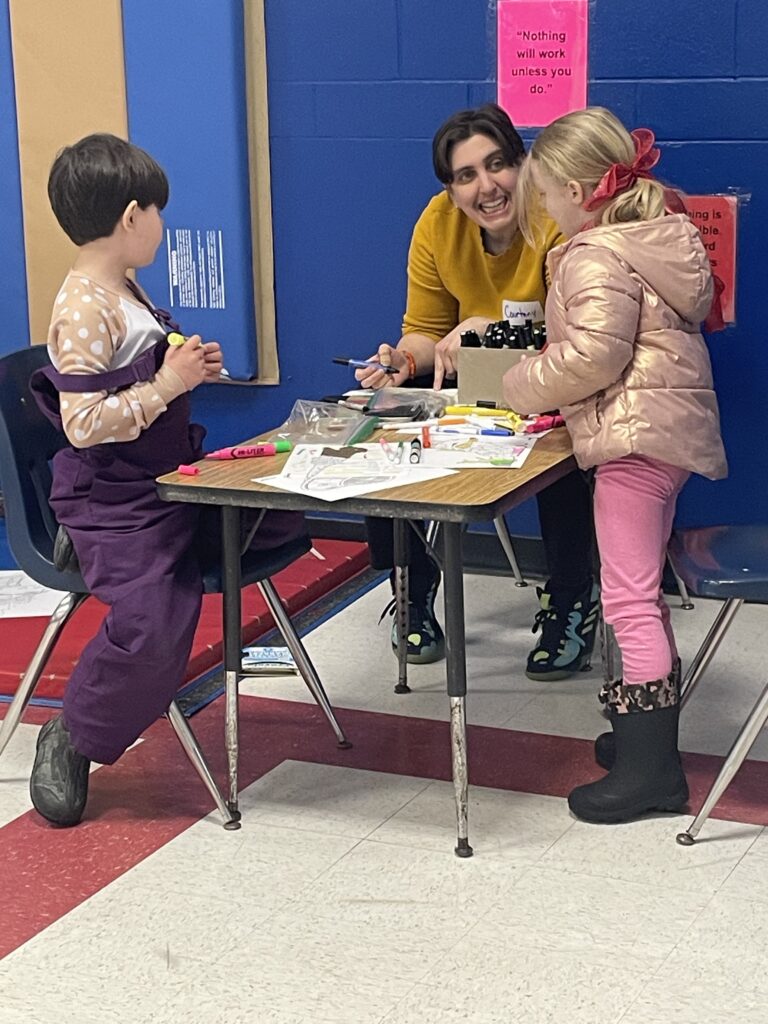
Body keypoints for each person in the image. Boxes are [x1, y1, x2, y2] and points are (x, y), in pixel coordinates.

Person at [28, 133, 304, 827]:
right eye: (158, 212)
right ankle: (74, 732)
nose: (162, 226)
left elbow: (143, 374)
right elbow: (84, 425)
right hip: (115, 496)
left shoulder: (123, 286)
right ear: (129, 217)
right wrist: (165, 386)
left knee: (279, 510)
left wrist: (185, 366)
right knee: (155, 623)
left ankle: (123, 556)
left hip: (165, 478)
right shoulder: (81, 307)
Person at [504, 107, 727, 824]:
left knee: (628, 601)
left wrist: (517, 381)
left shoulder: (595, 253)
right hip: (665, 438)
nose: (542, 209)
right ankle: (640, 743)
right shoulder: (655, 240)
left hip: (634, 442)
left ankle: (652, 774)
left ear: (576, 190)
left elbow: (596, 356)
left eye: (544, 196)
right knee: (641, 595)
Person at [355, 103, 598, 675]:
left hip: (557, 371)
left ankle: (571, 597)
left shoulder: (555, 213)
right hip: (473, 376)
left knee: (562, 444)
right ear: (451, 188)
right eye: (466, 176)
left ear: (523, 163)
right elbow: (425, 330)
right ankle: (412, 590)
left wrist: (492, 331)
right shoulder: (437, 224)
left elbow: (582, 334)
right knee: (384, 409)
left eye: (497, 165)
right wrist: (399, 361)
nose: (486, 187)